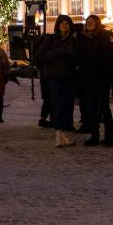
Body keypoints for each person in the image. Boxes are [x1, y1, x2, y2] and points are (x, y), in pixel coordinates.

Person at [37, 15, 78, 148]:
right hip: (54, 77)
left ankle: (64, 134)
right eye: (62, 23)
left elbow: (77, 59)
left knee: (68, 106)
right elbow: (42, 56)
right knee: (57, 104)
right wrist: (59, 52)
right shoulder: (51, 38)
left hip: (69, 77)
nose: (64, 25)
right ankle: (58, 134)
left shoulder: (73, 41)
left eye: (67, 23)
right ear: (58, 25)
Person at [76, 15, 113, 147]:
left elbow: (108, 60)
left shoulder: (103, 39)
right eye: (88, 22)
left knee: (104, 107)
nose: (89, 24)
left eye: (92, 22)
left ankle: (109, 137)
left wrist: (106, 77)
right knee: (91, 108)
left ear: (97, 23)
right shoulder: (85, 40)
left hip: (101, 79)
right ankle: (95, 136)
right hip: (88, 79)